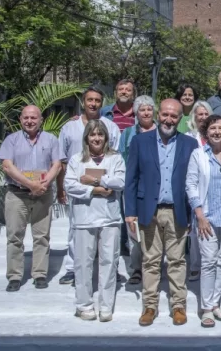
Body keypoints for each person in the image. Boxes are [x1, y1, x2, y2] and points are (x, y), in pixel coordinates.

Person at [124, 99, 199, 327]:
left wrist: (192, 214)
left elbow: (193, 181)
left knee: (177, 261)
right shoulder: (140, 141)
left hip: (177, 211)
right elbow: (131, 179)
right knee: (150, 261)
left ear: (180, 118)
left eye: (174, 116)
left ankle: (178, 306)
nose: (169, 119)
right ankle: (150, 306)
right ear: (158, 114)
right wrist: (130, 212)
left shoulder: (189, 144)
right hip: (149, 210)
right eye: (165, 114)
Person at [57, 86, 121, 286]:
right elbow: (63, 160)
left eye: (97, 100)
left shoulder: (111, 127)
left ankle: (111, 269)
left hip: (106, 189)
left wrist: (105, 184)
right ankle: (72, 269)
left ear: (102, 103)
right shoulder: (70, 127)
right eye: (90, 100)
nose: (93, 104)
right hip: (78, 187)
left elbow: (115, 158)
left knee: (108, 232)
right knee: (76, 228)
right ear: (83, 102)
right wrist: (62, 188)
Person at [64, 120, 126, 322]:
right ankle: (84, 305)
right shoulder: (76, 160)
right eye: (92, 135)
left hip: (110, 218)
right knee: (83, 263)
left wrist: (95, 180)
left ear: (106, 138)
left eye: (100, 135)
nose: (97, 138)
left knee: (109, 262)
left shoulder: (115, 158)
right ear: (86, 138)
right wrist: (96, 190)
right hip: (84, 218)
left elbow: (120, 182)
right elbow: (70, 186)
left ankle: (106, 306)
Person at [0, 105, 62, 292]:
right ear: (20, 120)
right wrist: (31, 185)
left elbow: (57, 165)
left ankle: (40, 274)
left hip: (43, 194)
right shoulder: (11, 140)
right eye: (26, 118)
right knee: (15, 237)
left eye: (33, 118)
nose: (29, 121)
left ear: (41, 120)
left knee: (42, 236)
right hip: (17, 194)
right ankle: (14, 276)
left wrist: (43, 184)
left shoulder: (51, 140)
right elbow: (8, 166)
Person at [185, 114, 221, 327]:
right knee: (208, 262)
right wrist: (199, 215)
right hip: (207, 217)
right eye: (213, 128)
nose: (217, 132)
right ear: (206, 132)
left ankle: (215, 304)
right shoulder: (199, 154)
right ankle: (206, 308)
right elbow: (191, 185)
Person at [117, 95, 156, 286]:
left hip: (155, 187)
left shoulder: (161, 131)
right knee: (133, 230)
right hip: (133, 186)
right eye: (142, 109)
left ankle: (153, 267)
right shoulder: (127, 134)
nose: (146, 112)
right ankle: (136, 269)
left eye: (149, 109)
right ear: (136, 112)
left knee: (154, 229)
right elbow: (121, 158)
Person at [185, 99, 213, 282]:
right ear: (194, 116)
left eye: (205, 114)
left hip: (213, 185)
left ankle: (210, 265)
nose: (203, 117)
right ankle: (195, 264)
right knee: (195, 228)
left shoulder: (216, 134)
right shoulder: (188, 137)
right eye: (199, 114)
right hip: (194, 184)